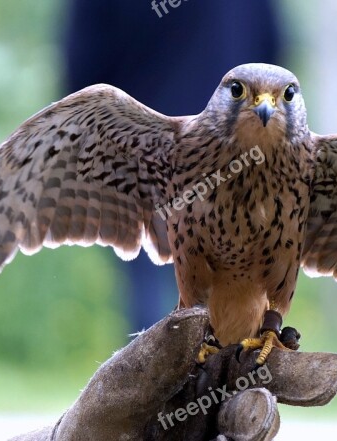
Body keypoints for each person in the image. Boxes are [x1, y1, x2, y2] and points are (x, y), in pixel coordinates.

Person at [61, 0, 284, 332]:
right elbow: (273, 51)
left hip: (144, 158)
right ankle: (225, 374)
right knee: (229, 281)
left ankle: (159, 377)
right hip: (231, 154)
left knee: (150, 287)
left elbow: (81, 70)